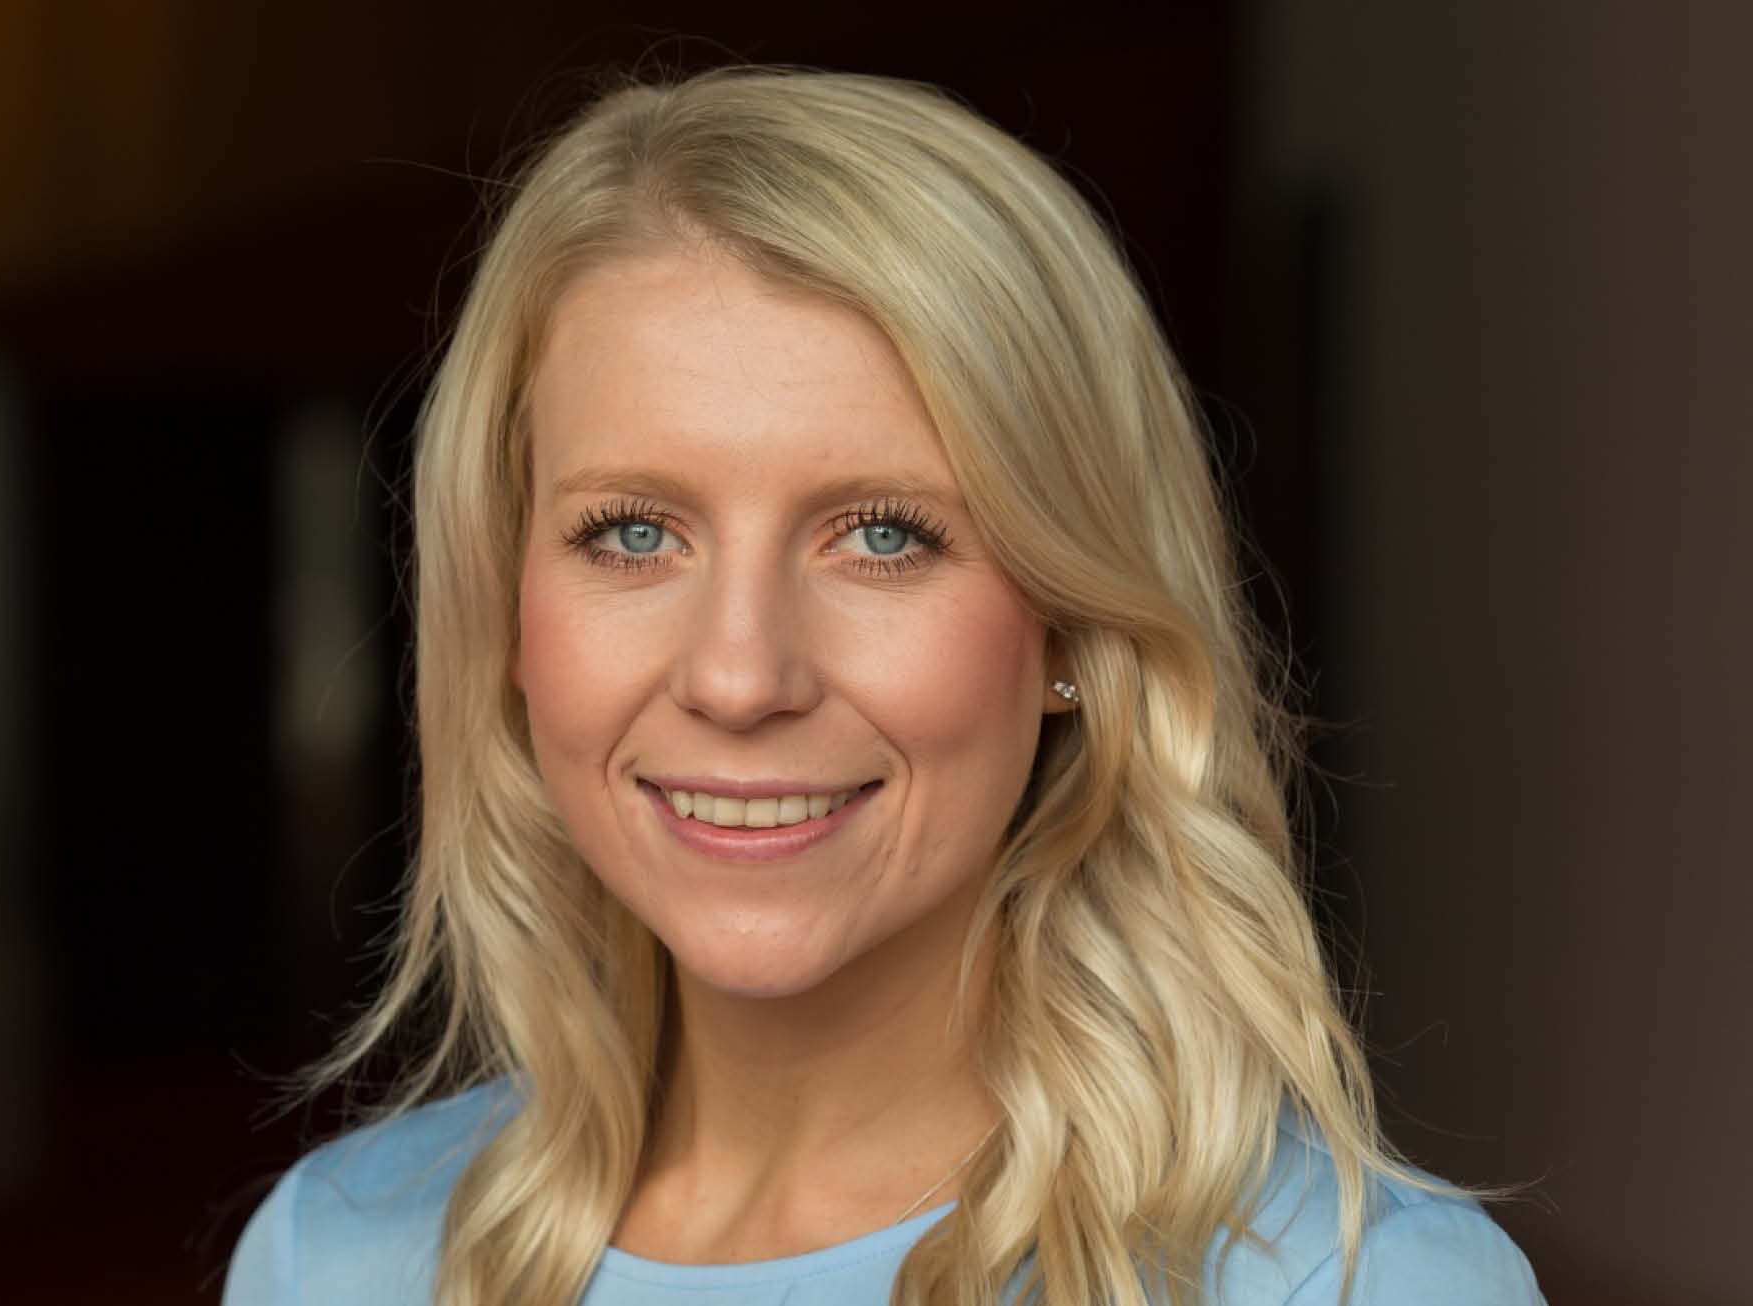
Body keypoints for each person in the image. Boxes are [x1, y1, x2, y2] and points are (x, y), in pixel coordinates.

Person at [223, 67, 1544, 1306]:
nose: (739, 675)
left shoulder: (1356, 1283)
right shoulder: (328, 1254)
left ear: (1075, 633)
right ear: (507, 614)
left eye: (884, 534)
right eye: (632, 532)